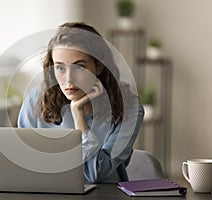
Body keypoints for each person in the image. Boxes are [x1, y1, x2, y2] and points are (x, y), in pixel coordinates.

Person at [17, 22, 144, 183]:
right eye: (60, 68)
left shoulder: (130, 108)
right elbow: (23, 164)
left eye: (79, 67)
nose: (69, 79)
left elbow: (96, 174)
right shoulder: (36, 99)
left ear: (98, 66)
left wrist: (78, 117)